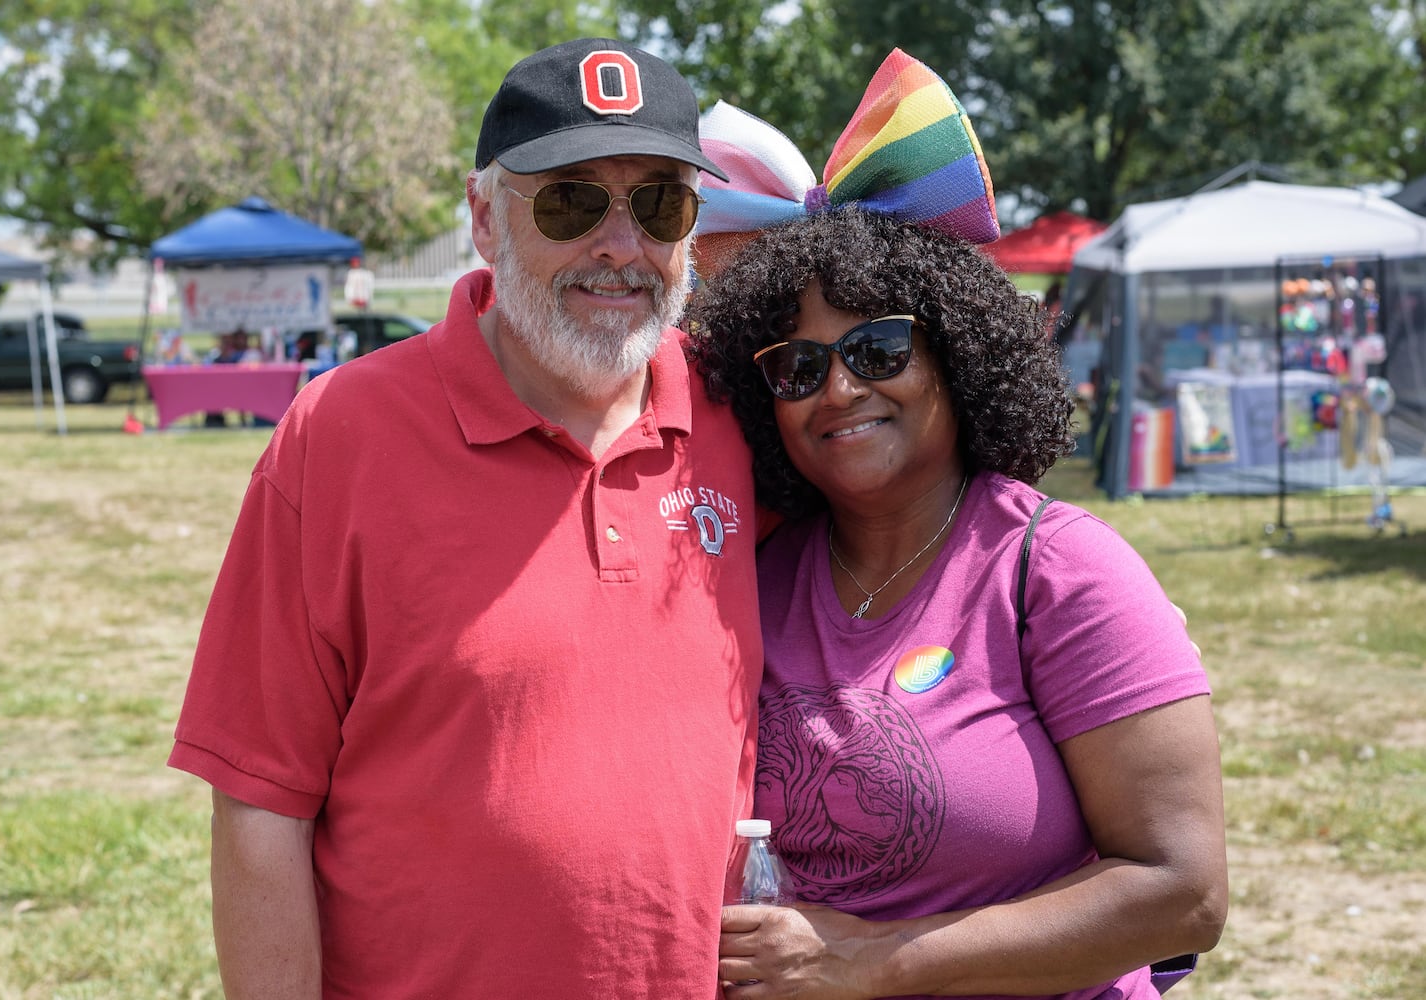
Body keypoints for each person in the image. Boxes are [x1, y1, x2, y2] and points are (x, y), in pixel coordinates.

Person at [168, 38, 766, 999]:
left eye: (659, 203)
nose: (621, 246)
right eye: (572, 201)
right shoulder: (342, 431)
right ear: (486, 219)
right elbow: (258, 802)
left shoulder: (745, 416)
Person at [690, 200, 1228, 998]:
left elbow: (1182, 891)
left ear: (955, 355)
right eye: (798, 367)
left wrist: (878, 962)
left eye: (877, 350)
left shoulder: (1058, 567)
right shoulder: (750, 578)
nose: (837, 388)